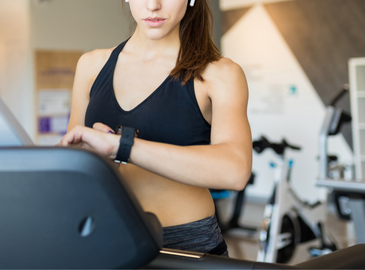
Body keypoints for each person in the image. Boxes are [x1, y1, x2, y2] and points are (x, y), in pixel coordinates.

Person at [57, 0, 251, 256]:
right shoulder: (91, 66)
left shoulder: (219, 74)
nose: (153, 5)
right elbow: (75, 164)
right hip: (103, 238)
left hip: (186, 246)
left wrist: (122, 146)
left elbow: (234, 170)